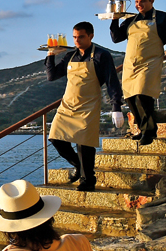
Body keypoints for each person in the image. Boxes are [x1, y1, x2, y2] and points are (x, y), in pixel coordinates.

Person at [46, 21, 124, 192]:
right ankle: (78, 166)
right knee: (55, 138)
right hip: (67, 105)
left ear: (91, 36)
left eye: (81, 36)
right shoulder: (70, 56)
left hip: (89, 104)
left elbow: (112, 82)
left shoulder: (102, 55)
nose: (77, 40)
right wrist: (51, 54)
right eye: (74, 37)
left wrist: (116, 107)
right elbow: (51, 76)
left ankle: (88, 181)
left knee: (85, 145)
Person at [110, 0, 166, 146]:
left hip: (150, 63)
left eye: (143, 1)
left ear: (152, 1)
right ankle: (142, 129)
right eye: (136, 2)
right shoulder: (130, 20)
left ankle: (150, 132)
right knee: (131, 98)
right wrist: (115, 19)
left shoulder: (162, 18)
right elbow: (116, 38)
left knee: (142, 94)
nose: (139, 5)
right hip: (130, 64)